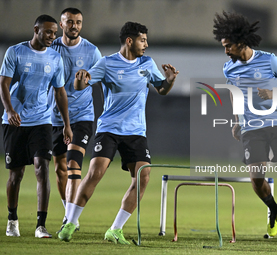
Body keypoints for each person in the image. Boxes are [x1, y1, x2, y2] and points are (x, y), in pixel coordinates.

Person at [57, 21, 179, 243]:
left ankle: (115, 229)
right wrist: (79, 79)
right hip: (110, 129)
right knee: (95, 174)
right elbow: (81, 84)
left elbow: (161, 89)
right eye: (143, 40)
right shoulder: (107, 63)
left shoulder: (147, 63)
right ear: (129, 41)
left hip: (136, 132)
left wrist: (169, 81)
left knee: (143, 177)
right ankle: (71, 222)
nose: (146, 44)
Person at [213, 11, 277, 244]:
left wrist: (275, 93)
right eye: (223, 46)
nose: (225, 50)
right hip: (251, 127)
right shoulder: (228, 68)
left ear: (241, 42)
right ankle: (274, 209)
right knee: (257, 178)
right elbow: (235, 95)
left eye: (228, 45)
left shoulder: (268, 59)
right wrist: (237, 120)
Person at [0, 15, 73, 238]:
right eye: (48, 32)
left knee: (42, 167)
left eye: (54, 33)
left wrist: (66, 125)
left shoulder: (55, 58)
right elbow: (4, 83)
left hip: (42, 120)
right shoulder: (16, 52)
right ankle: (12, 220)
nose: (53, 36)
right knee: (16, 174)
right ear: (36, 30)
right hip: (16, 121)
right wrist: (10, 110)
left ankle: (41, 225)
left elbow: (60, 92)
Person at [48, 7, 102, 234]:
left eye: (78, 22)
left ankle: (70, 219)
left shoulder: (92, 51)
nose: (75, 26)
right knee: (60, 168)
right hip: (55, 117)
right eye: (69, 22)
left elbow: (102, 77)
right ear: (61, 25)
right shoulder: (51, 48)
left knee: (73, 165)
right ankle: (68, 214)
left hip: (82, 116)